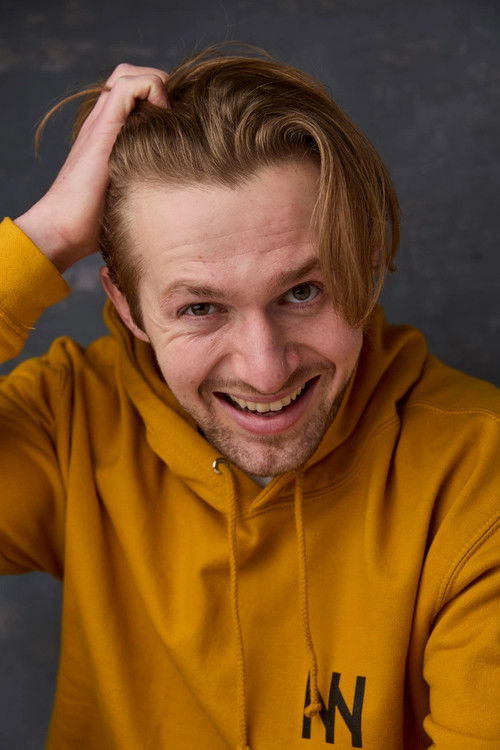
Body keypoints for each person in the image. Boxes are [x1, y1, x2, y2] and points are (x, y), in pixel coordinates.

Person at [0, 47, 498, 750]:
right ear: (129, 307)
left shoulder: (480, 477)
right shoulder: (71, 420)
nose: (265, 372)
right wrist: (43, 238)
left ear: (364, 263)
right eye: (201, 308)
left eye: (303, 292)